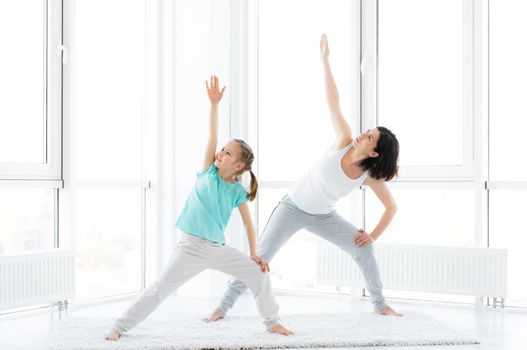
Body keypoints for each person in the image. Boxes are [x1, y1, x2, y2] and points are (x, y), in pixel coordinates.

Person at [205, 34, 402, 323]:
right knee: (260, 258)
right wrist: (325, 61)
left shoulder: (369, 176)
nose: (363, 134)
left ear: (374, 153)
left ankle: (380, 303)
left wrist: (371, 234)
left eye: (370, 136)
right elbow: (332, 100)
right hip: (292, 208)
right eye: (367, 130)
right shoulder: (345, 140)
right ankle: (222, 308)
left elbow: (391, 208)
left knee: (365, 248)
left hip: (324, 217)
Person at [106, 76, 293, 341]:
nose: (221, 153)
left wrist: (253, 254)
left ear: (239, 166)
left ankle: (272, 322)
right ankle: (119, 327)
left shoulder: (237, 191)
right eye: (222, 150)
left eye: (228, 153)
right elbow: (212, 135)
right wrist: (214, 105)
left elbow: (249, 224)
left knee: (259, 274)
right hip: (190, 247)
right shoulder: (208, 172)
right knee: (160, 288)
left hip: (216, 249)